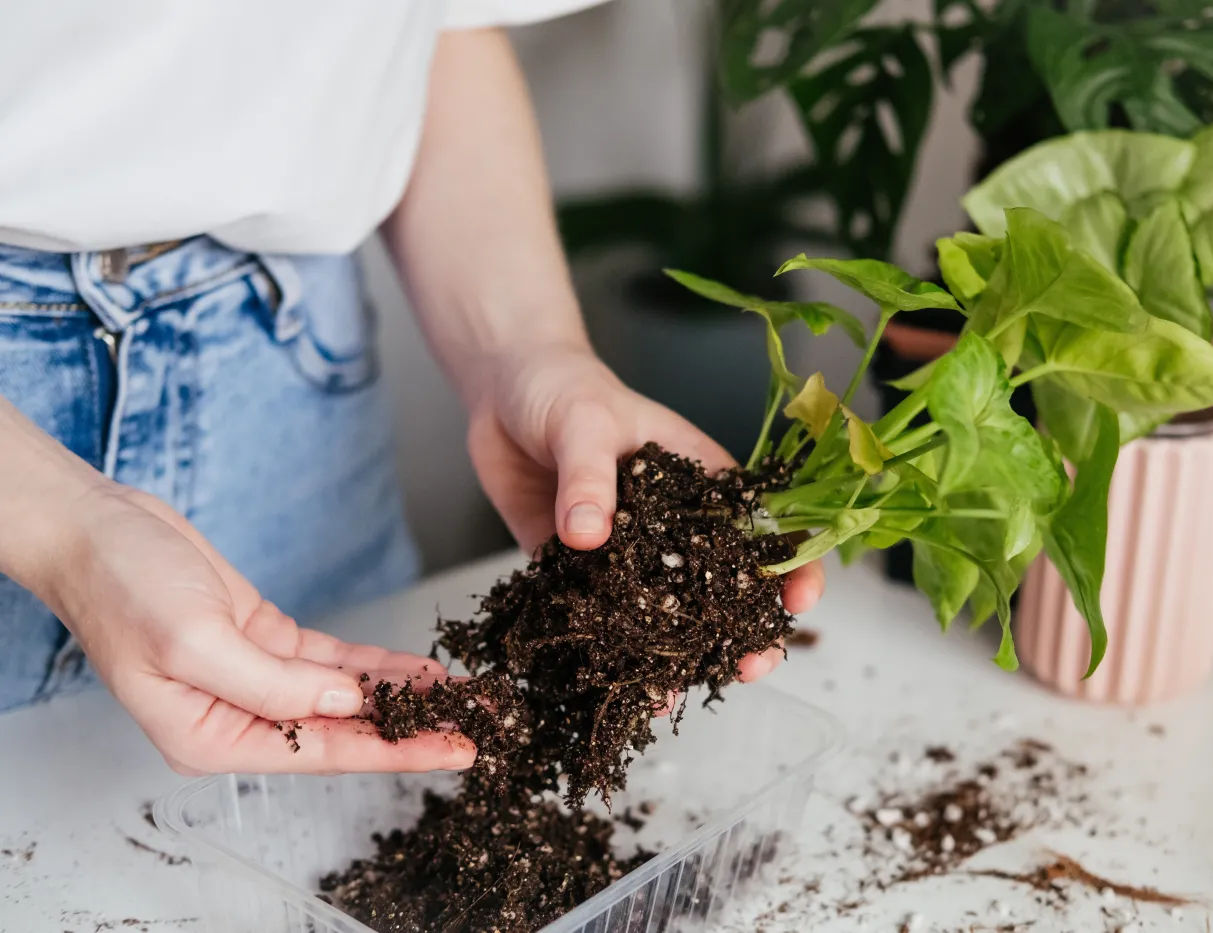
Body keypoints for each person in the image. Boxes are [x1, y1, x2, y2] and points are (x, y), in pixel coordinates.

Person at [0, 3, 823, 776]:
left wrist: (529, 350)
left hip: (283, 365)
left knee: (341, 789)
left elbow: (425, 25)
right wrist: (63, 532)